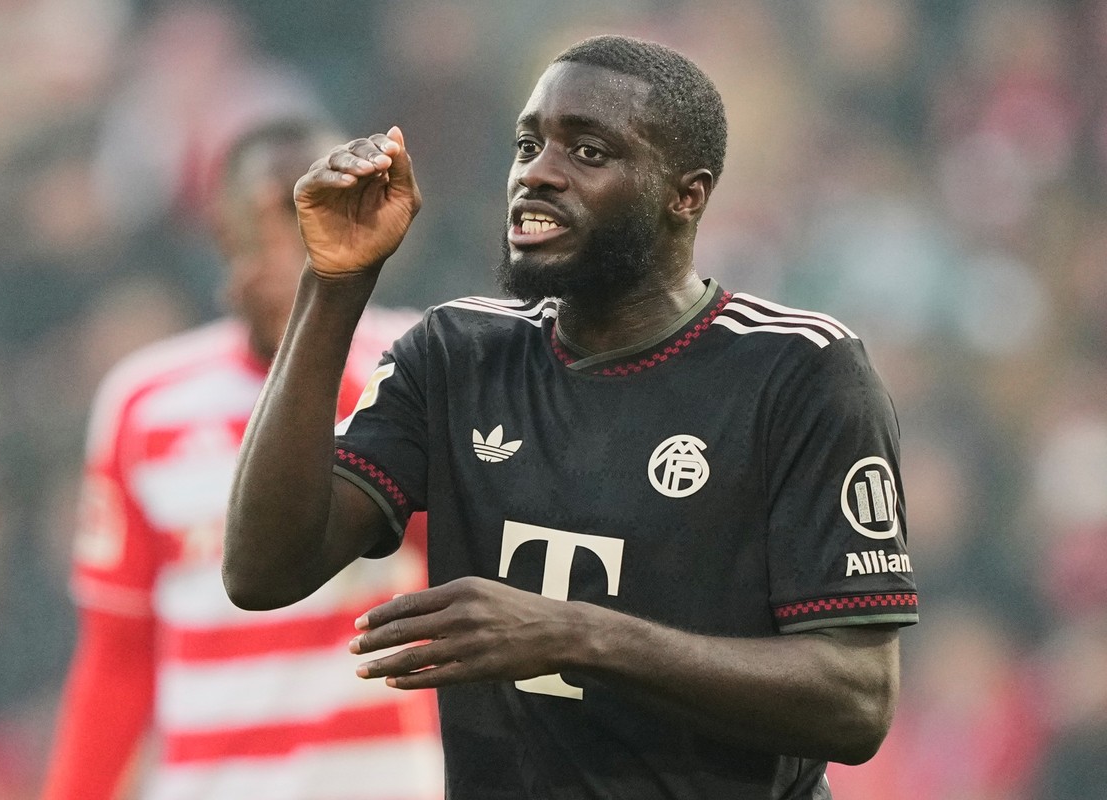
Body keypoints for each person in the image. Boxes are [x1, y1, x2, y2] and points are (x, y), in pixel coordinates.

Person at [224, 35, 919, 799]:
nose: (537, 173)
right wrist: (334, 283)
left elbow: (857, 700)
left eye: (588, 152)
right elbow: (262, 571)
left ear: (685, 196)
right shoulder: (457, 353)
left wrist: (575, 632)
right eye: (529, 145)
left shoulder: (800, 370)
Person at [42, 118, 443, 800]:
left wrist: (327, 326)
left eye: (311, 216)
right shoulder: (145, 405)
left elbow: (459, 557)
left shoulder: (418, 363)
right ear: (227, 238)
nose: (296, 246)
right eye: (270, 224)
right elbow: (117, 655)